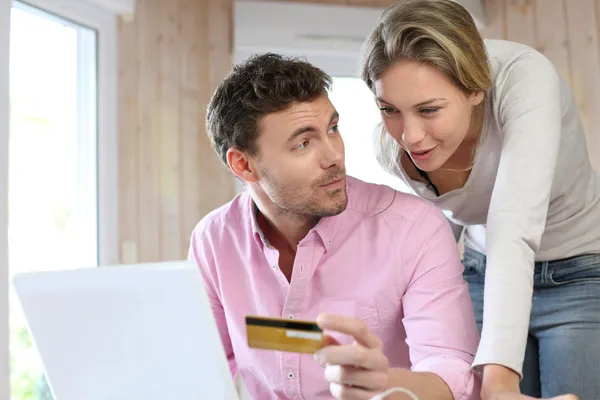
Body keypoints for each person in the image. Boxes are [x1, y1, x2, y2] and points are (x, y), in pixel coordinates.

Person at [188, 52, 482, 400]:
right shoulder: (213, 241)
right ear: (244, 165)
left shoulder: (414, 229)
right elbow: (203, 366)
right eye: (304, 143)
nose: (334, 156)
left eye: (332, 129)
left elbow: (451, 370)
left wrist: (384, 385)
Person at [360, 0, 600, 399]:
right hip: (483, 273)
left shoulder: (524, 79)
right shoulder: (391, 151)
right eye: (389, 109)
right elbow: (429, 236)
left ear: (475, 89)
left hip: (579, 273)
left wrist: (500, 385)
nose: (410, 135)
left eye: (429, 109)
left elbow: (511, 227)